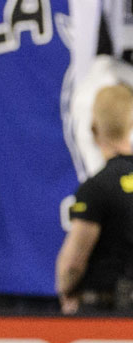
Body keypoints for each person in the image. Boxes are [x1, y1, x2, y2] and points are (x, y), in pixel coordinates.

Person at [57, 84, 133, 314]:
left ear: (94, 129)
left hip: (105, 314)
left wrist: (66, 289)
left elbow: (73, 263)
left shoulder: (97, 188)